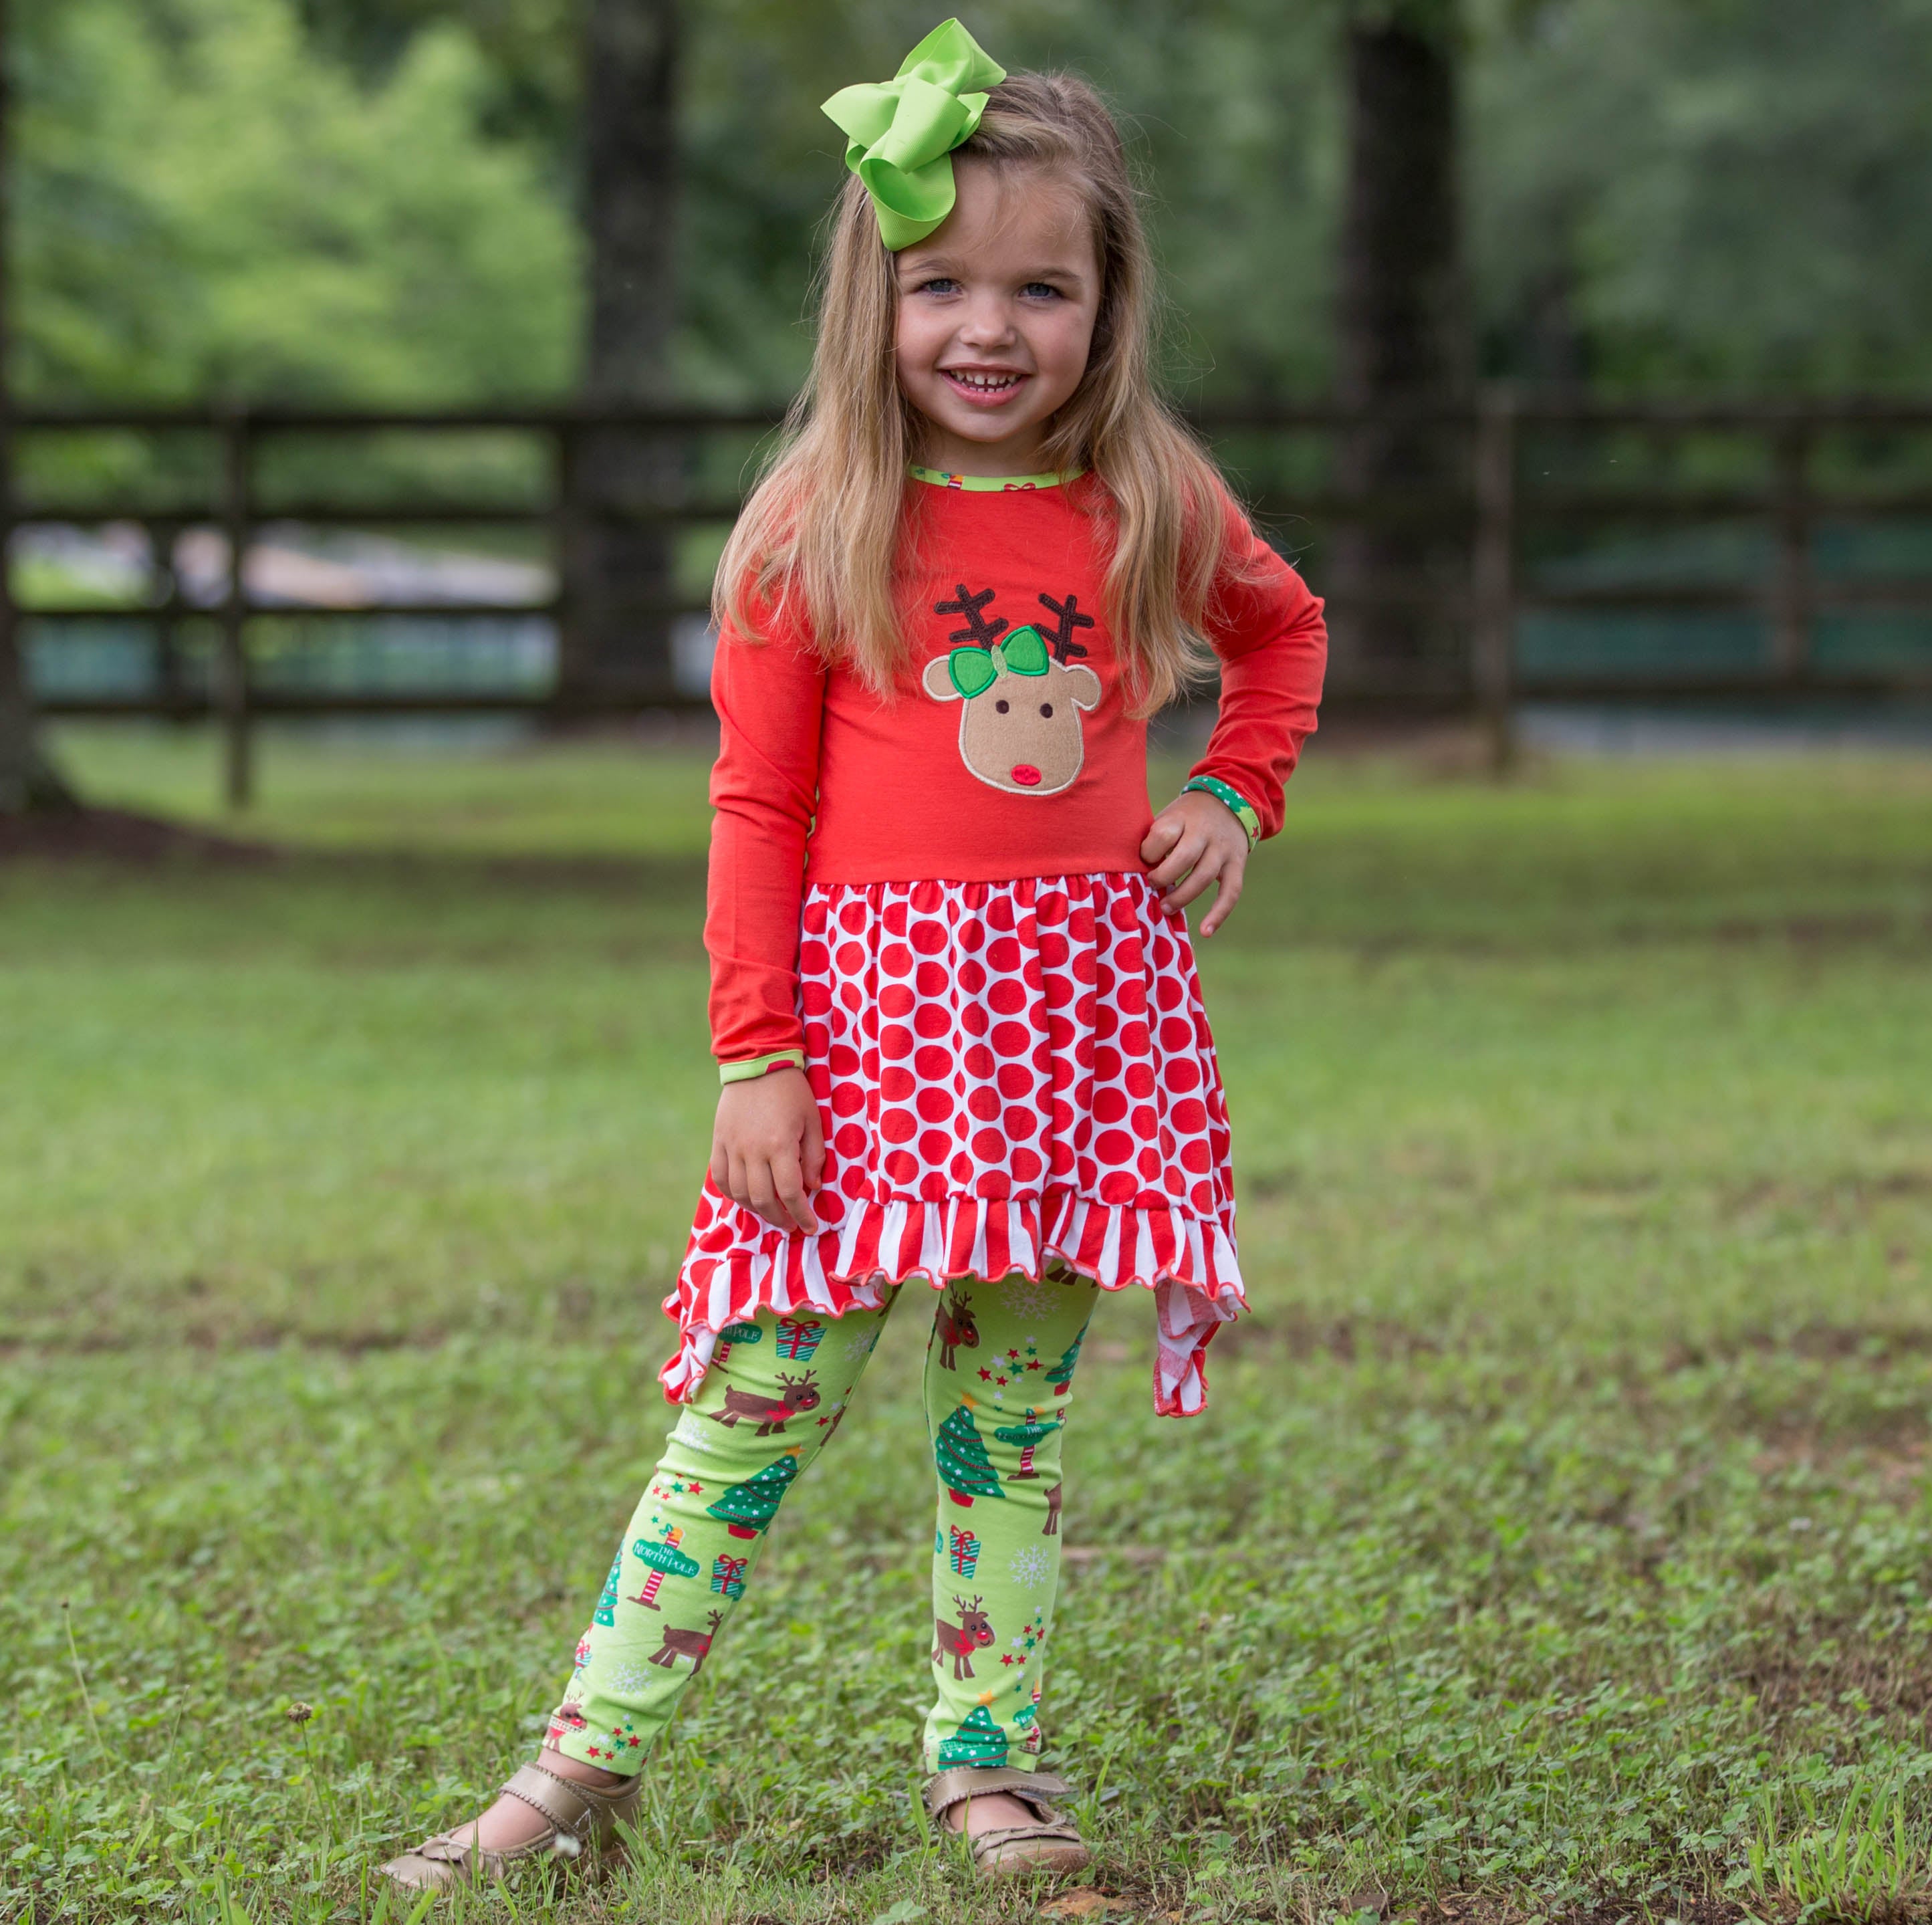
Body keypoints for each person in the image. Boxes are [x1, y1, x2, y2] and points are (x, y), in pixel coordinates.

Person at [380, 17, 1324, 1892]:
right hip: (868, 1047)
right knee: (749, 1417)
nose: (991, 327)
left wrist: (1233, 790)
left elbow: (1281, 633)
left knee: (1009, 1431)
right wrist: (755, 1057)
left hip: (1077, 1039)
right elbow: (755, 812)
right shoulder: (816, 527)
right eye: (943, 285)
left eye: (1040, 287)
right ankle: (578, 1767)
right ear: (871, 303)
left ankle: (987, 1769)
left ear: (1105, 302)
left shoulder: (1149, 503)